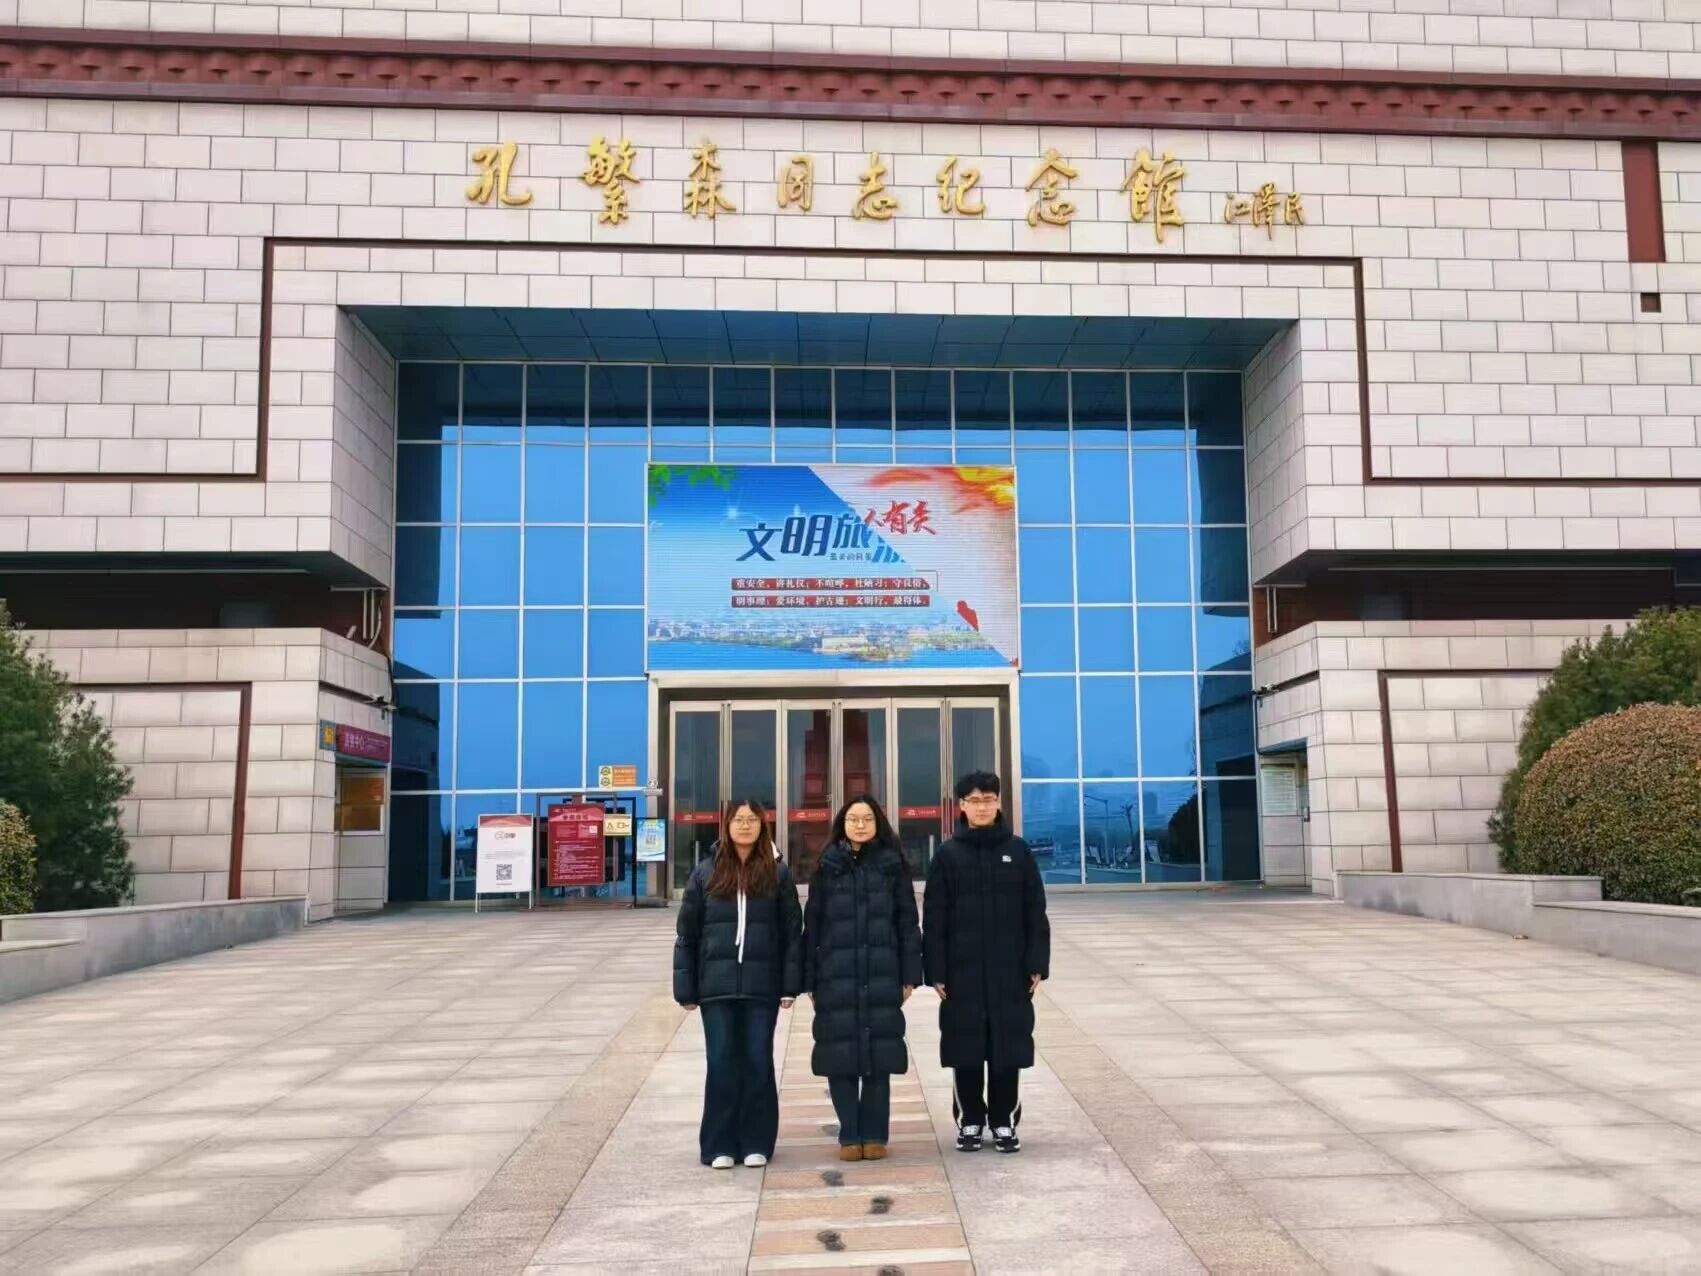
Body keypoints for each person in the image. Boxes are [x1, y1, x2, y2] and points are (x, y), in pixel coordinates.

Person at [923, 770, 1049, 1155]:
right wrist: (936, 971)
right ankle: (971, 1120)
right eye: (974, 800)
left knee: (1007, 1046)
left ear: (998, 803)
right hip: (961, 973)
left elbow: (1035, 912)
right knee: (965, 1046)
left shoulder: (1018, 851)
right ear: (961, 806)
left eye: (988, 799)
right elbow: (935, 917)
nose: (982, 807)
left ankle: (1003, 1119)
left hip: (1010, 970)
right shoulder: (948, 855)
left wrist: (1036, 963)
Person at [673, 798, 802, 1169]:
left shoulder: (778, 874)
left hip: (762, 986)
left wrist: (789, 986)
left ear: (763, 826)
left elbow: (792, 933)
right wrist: (685, 988)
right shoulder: (706, 872)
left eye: (752, 820)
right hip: (716, 986)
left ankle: (757, 1141)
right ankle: (718, 1145)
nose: (745, 826)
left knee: (758, 1060)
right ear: (726, 826)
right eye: (739, 820)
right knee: (721, 1062)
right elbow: (687, 933)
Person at [803, 794, 923, 1163]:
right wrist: (809, 978)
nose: (860, 825)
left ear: (877, 823)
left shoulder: (892, 864)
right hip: (835, 974)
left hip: (882, 971)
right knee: (839, 1055)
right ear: (842, 824)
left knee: (878, 1055)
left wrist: (909, 974)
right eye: (853, 819)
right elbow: (813, 924)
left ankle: (874, 1134)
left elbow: (908, 922)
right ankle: (849, 1133)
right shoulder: (827, 865)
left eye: (867, 819)